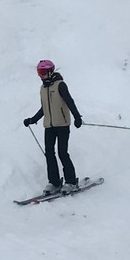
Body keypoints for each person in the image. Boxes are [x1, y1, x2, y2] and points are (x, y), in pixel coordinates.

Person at [23, 59, 83, 192]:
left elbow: (69, 101)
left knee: (62, 153)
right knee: (49, 153)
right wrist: (32, 120)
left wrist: (77, 117)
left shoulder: (60, 85)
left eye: (43, 72)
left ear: (50, 71)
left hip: (62, 124)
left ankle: (71, 181)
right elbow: (44, 108)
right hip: (49, 126)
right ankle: (55, 182)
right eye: (39, 72)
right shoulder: (43, 89)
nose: (41, 75)